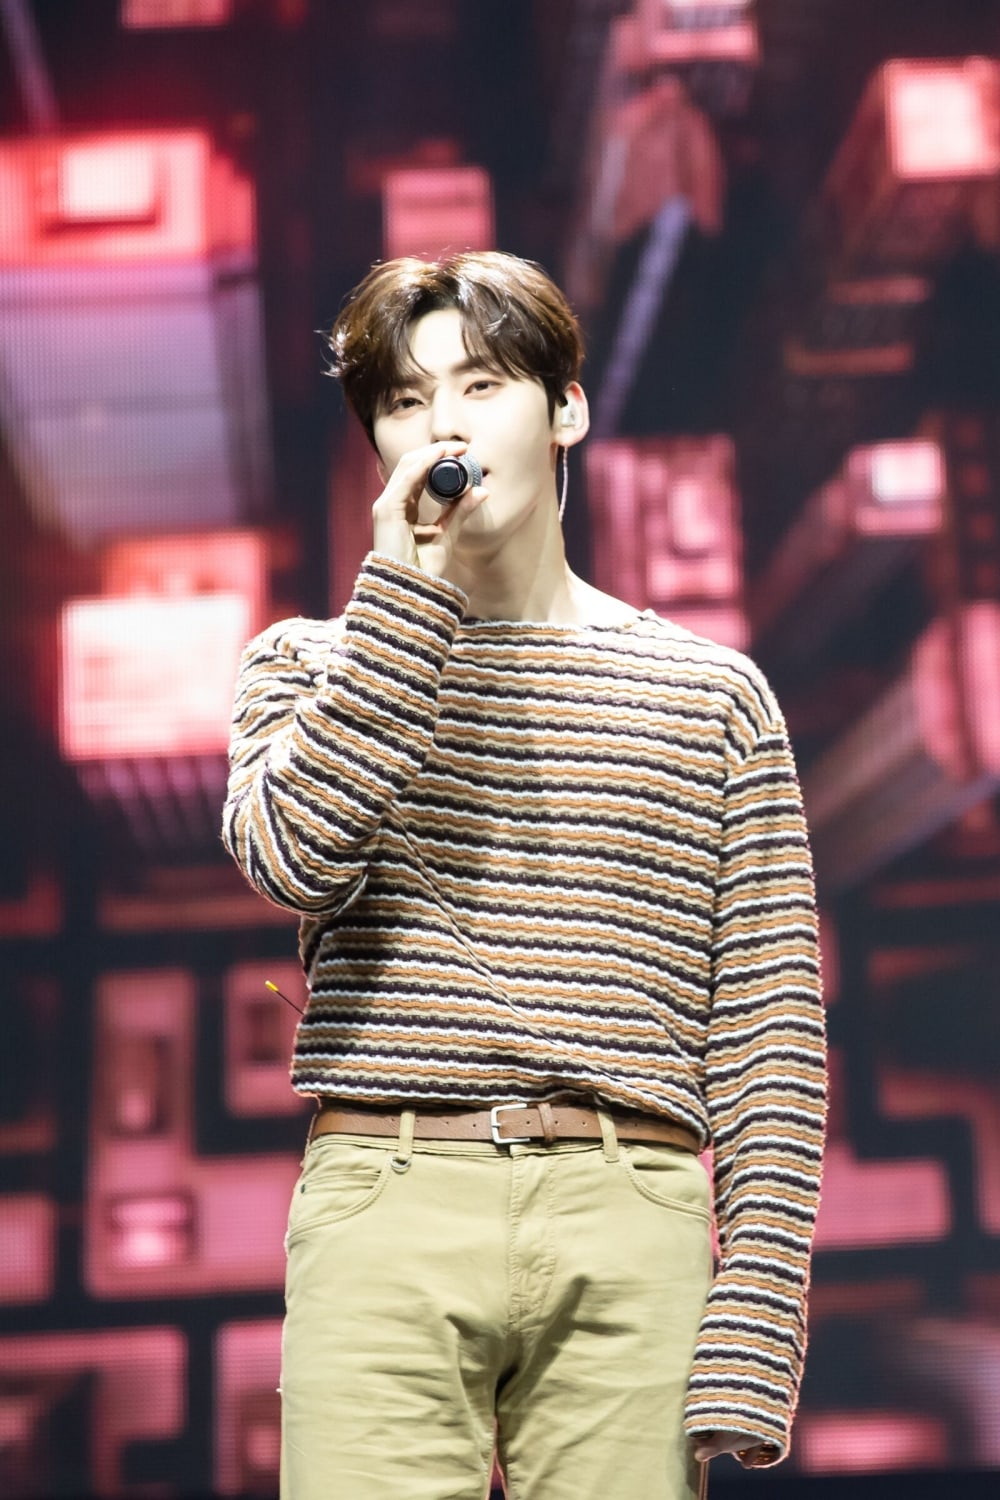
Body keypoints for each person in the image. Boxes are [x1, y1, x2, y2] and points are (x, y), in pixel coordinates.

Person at [222, 250, 827, 1500]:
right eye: (404, 400)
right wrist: (400, 609)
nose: (442, 425)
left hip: (630, 1199)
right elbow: (292, 861)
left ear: (566, 409)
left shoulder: (712, 697)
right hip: (386, 1194)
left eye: (481, 384)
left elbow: (768, 1027)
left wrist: (757, 1320)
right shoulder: (307, 665)